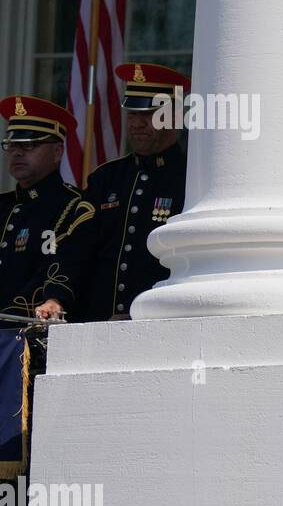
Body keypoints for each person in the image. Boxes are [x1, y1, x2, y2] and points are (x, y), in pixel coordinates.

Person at [34, 63, 189, 322]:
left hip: (161, 321)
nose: (137, 123)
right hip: (100, 321)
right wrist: (56, 297)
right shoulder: (106, 179)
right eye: (132, 114)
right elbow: (76, 246)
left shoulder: (189, 177)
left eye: (149, 114)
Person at [0, 96, 94, 318]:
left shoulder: (74, 207)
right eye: (12, 145)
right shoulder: (4, 205)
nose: (17, 152)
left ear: (58, 152)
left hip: (27, 330)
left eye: (29, 145)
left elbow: (64, 267)